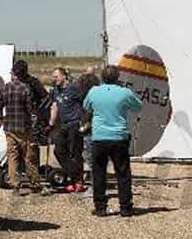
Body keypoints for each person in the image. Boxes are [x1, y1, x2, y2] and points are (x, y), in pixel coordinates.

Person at [83, 65, 143, 216]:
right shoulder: (124, 92)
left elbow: (86, 106)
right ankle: (125, 207)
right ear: (117, 78)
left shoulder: (94, 91)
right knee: (122, 173)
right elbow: (138, 106)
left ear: (102, 77)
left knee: (99, 173)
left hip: (99, 137)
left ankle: (100, 207)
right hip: (118, 137)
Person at [0, 60, 41, 194]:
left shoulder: (5, 88)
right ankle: (34, 184)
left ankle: (15, 186)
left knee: (13, 157)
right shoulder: (26, 88)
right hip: (24, 128)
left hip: (9, 128)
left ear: (14, 74)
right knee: (29, 157)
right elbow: (30, 109)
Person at [48, 67, 85, 192]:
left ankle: (77, 181)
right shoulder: (55, 91)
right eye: (53, 77)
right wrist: (51, 123)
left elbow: (85, 103)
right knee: (59, 151)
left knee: (75, 153)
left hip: (75, 124)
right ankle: (76, 176)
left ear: (64, 76)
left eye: (56, 76)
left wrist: (85, 122)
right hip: (63, 125)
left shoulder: (74, 88)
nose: (54, 79)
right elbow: (54, 106)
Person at [76, 70, 102, 184]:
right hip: (97, 131)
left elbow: (89, 115)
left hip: (90, 132)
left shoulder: (88, 99)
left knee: (92, 160)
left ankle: (96, 186)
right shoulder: (98, 97)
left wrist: (84, 126)